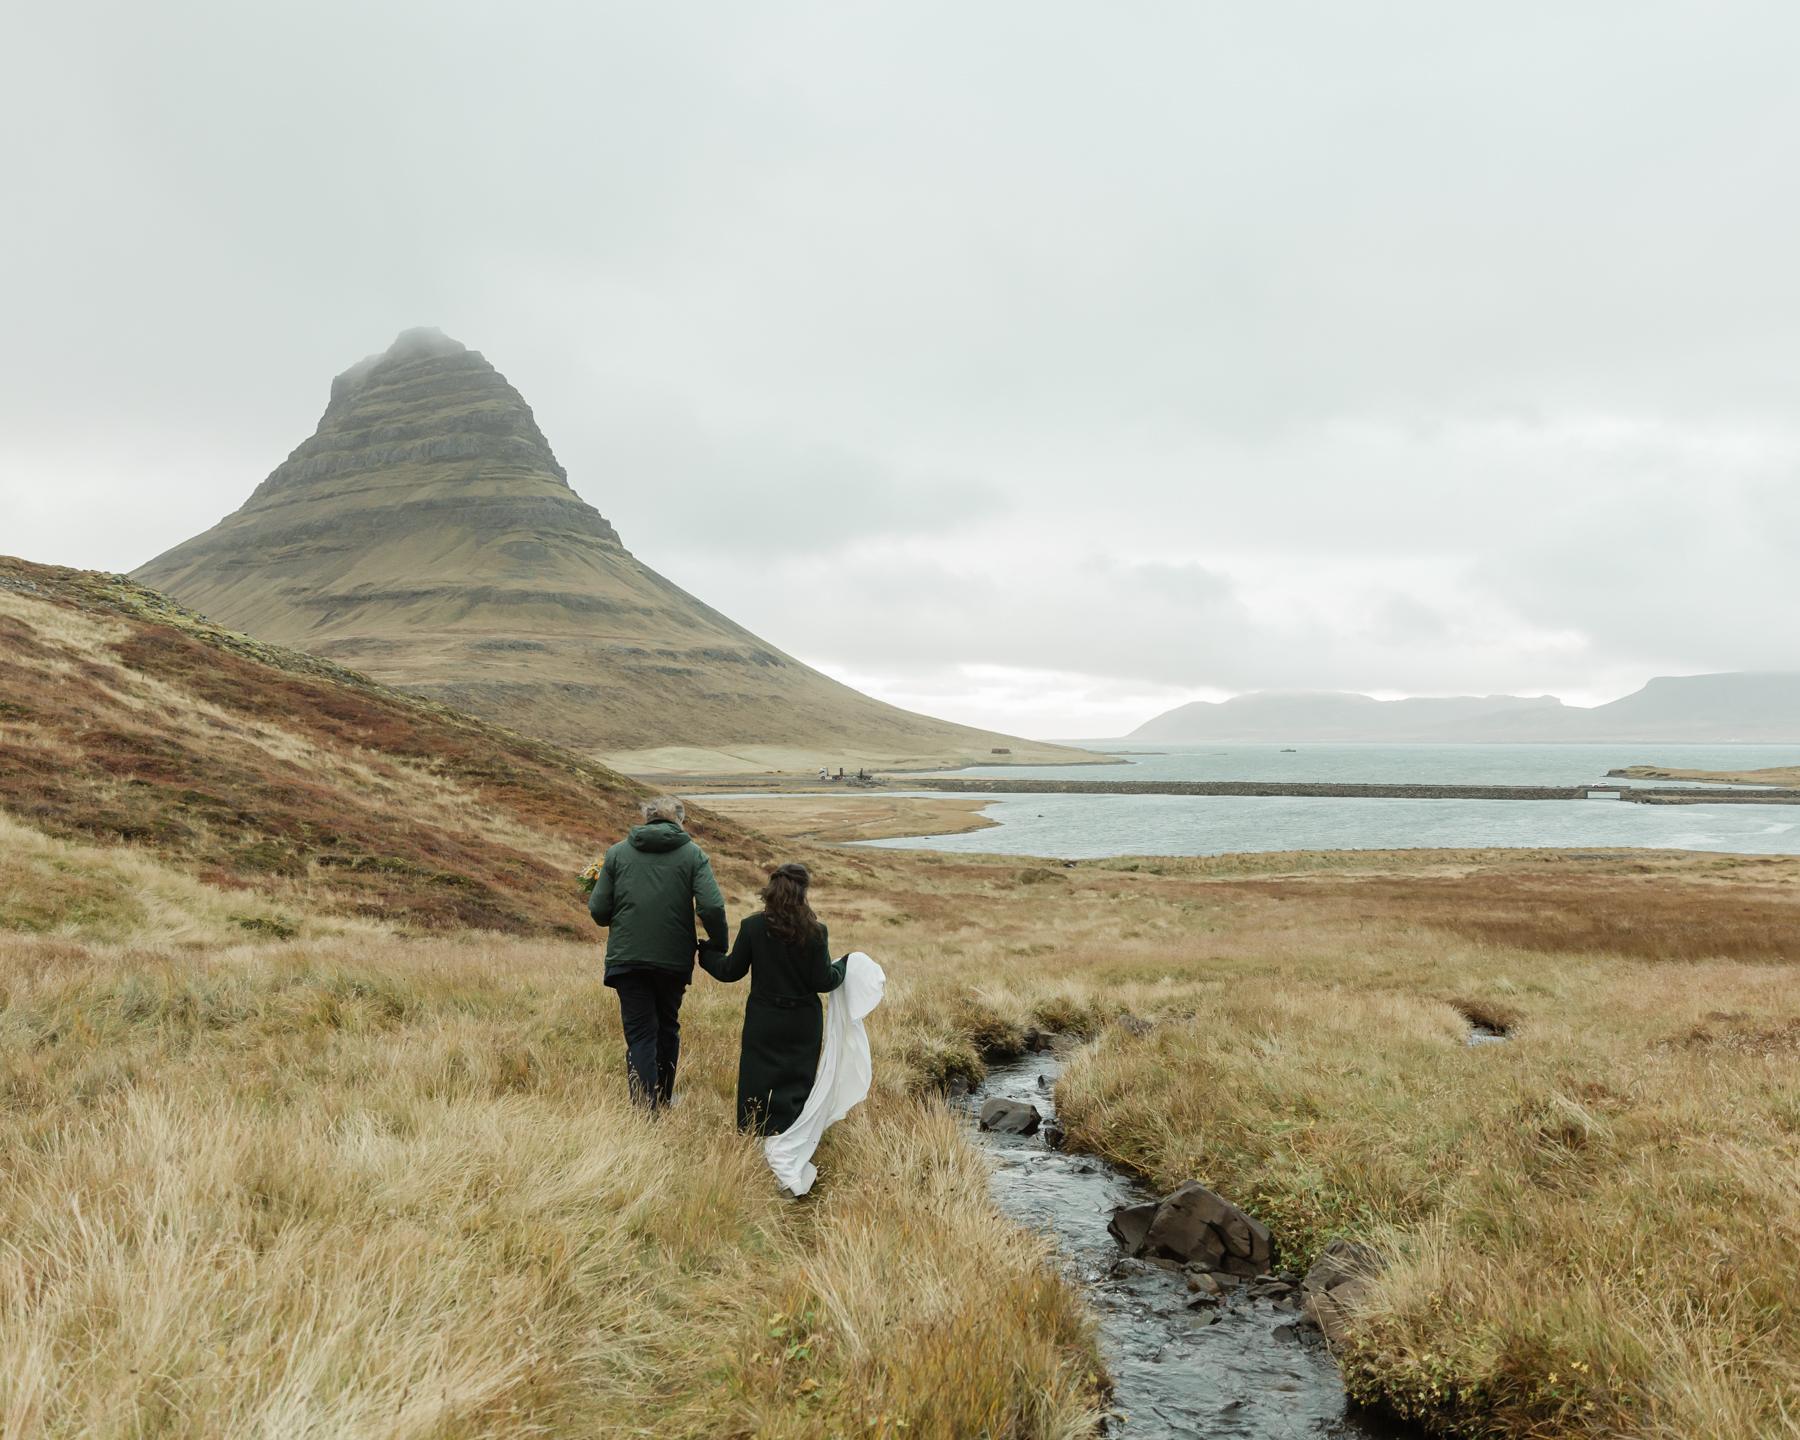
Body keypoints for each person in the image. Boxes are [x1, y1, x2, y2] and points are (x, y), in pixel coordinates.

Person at [588, 796, 727, 1111]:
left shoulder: (617, 853)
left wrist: (619, 918)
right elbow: (712, 906)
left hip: (626, 959)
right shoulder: (693, 855)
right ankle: (662, 1100)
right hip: (673, 960)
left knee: (640, 1034)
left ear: (646, 819)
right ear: (680, 821)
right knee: (666, 1026)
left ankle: (644, 1110)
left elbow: (598, 909)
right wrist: (717, 944)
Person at [703, 862, 845, 1135]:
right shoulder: (817, 931)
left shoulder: (752, 927)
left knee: (757, 1079)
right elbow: (823, 981)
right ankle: (792, 1136)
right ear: (803, 891)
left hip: (763, 1020)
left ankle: (753, 1134)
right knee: (797, 1081)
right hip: (803, 1023)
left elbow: (730, 971)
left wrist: (707, 955)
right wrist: (843, 966)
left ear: (771, 889)